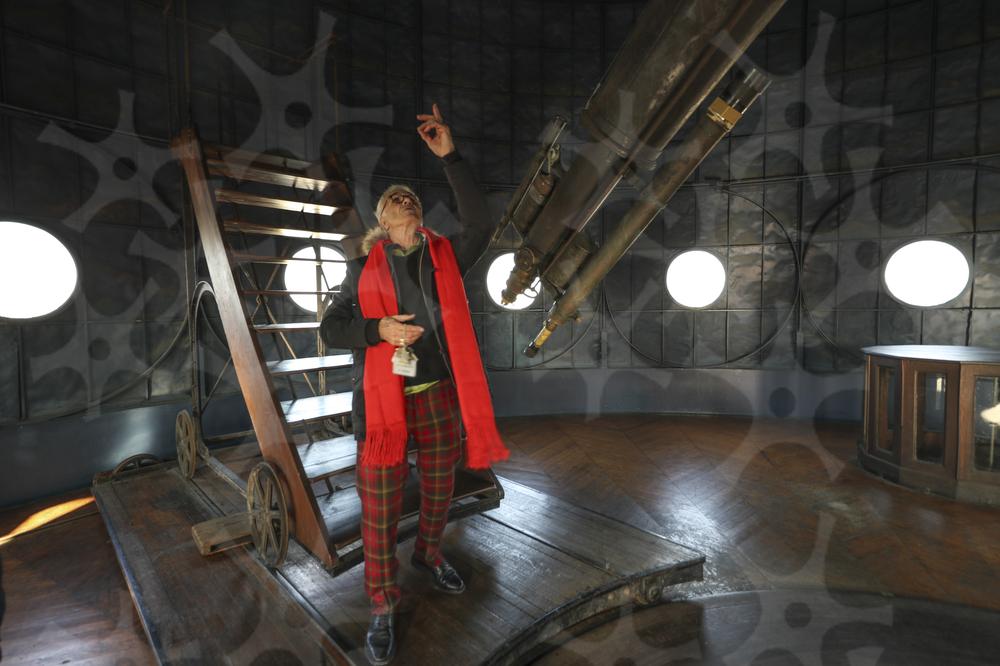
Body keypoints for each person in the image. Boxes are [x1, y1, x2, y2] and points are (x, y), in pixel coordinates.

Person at [320, 103, 509, 665]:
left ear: (418, 213)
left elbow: (482, 224)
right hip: (382, 408)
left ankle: (428, 553)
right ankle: (382, 602)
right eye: (393, 197)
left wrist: (450, 157)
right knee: (379, 508)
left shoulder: (443, 256)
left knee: (440, 488)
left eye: (410, 196)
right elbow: (331, 328)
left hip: (437, 397)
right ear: (381, 218)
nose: (404, 198)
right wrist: (376, 329)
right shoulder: (361, 269)